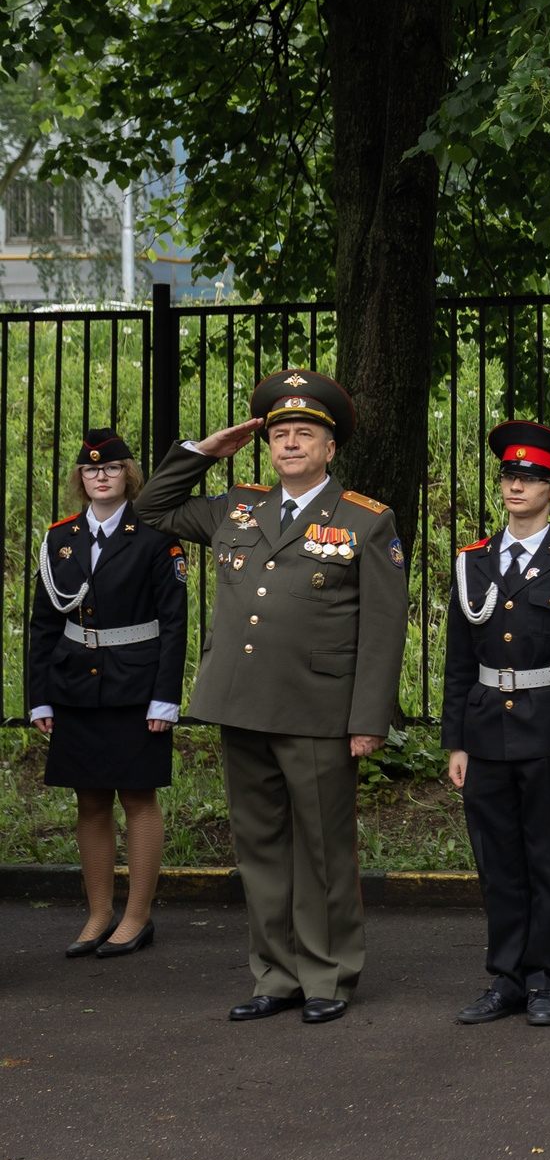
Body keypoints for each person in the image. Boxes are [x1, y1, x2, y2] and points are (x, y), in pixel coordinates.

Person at [136, 369, 404, 1024]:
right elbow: (151, 509)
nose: (289, 443)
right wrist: (204, 452)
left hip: (319, 711)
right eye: (280, 433)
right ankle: (275, 973)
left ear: (330, 447)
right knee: (258, 846)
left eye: (304, 433)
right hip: (242, 705)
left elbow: (383, 633)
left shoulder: (365, 521)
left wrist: (368, 720)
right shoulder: (237, 507)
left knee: (321, 849)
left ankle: (327, 974)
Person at [441, 421, 550, 1026]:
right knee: (497, 859)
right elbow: (457, 661)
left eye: (531, 478)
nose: (516, 485)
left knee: (548, 857)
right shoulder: (472, 560)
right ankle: (507, 975)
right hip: (485, 729)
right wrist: (453, 740)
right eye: (509, 475)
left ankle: (548, 978)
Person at [32, 427, 185, 960]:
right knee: (90, 801)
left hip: (136, 687)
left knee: (137, 798)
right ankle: (99, 913)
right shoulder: (60, 538)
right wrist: (40, 697)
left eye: (112, 468)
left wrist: (166, 698)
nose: (101, 476)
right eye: (91, 469)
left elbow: (175, 623)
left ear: (129, 476)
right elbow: (43, 624)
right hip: (74, 686)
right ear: (81, 478)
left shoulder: (155, 537)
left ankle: (137, 917)